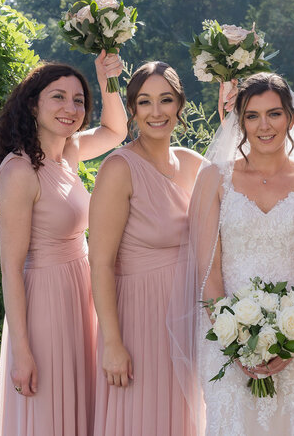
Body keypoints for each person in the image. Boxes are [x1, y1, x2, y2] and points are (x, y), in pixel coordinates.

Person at [172, 72, 294, 435]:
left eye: (274, 114)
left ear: (291, 118)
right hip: (225, 334)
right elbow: (208, 269)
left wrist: (290, 340)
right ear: (240, 121)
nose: (264, 126)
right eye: (252, 115)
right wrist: (233, 340)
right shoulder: (214, 179)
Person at [0, 52, 126, 435]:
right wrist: (22, 351)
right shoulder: (19, 171)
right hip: (46, 305)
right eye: (58, 97)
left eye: (78, 100)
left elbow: (116, 132)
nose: (71, 107)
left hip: (81, 293)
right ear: (33, 104)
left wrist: (106, 78)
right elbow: (11, 268)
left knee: (82, 407)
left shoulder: (68, 154)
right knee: (51, 415)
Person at [89, 61, 203, 435]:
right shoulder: (118, 168)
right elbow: (100, 263)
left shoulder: (192, 164)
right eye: (145, 102)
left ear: (179, 106)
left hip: (190, 320)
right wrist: (112, 343)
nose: (156, 112)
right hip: (141, 322)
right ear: (133, 110)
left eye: (165, 100)